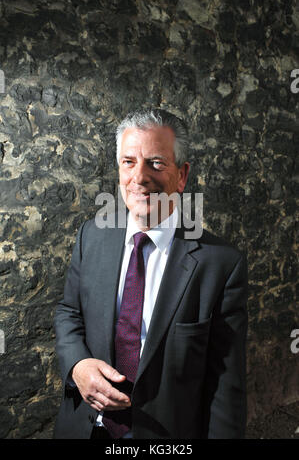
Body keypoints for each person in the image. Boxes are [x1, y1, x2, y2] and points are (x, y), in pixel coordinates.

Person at [54, 109, 248, 439]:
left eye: (155, 162)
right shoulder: (92, 236)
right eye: (129, 162)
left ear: (182, 175)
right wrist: (78, 365)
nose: (139, 177)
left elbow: (225, 387)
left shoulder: (220, 265)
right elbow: (68, 313)